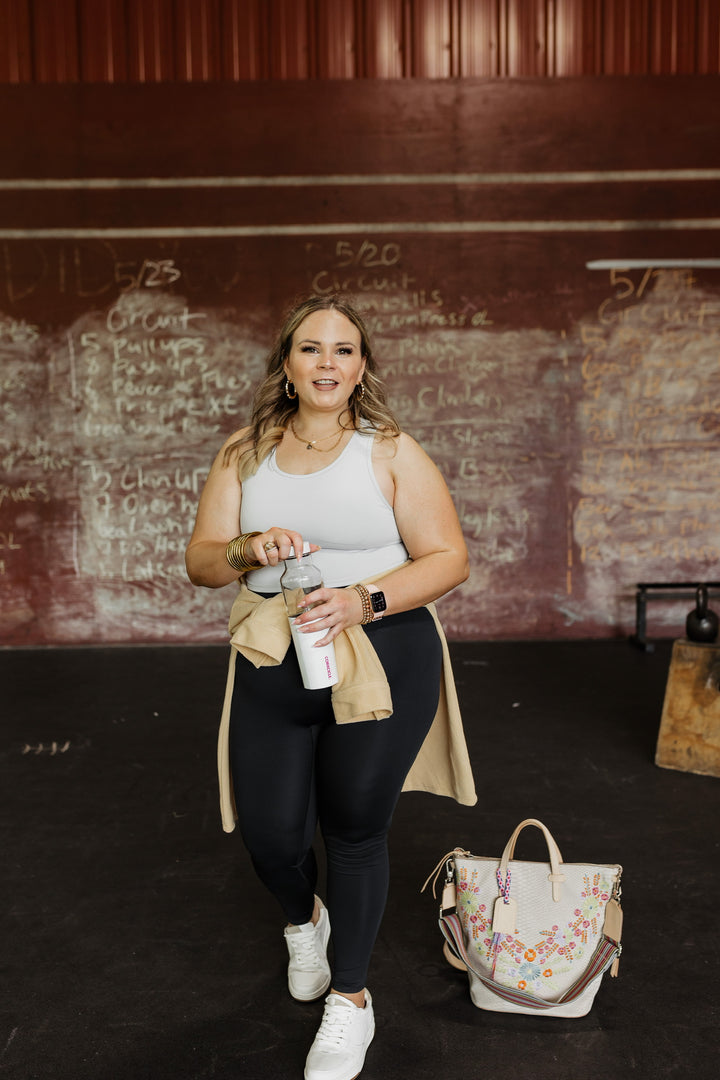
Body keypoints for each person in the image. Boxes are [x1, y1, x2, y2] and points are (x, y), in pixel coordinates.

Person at [185, 294, 475, 1080]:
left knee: (354, 828)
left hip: (383, 653)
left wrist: (363, 600)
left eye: (343, 350)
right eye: (311, 348)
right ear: (286, 363)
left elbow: (449, 557)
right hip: (275, 654)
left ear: (361, 366)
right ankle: (302, 919)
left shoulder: (391, 451)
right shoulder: (244, 452)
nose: (327, 363)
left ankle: (351, 999)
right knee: (272, 838)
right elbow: (202, 560)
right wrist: (246, 547)